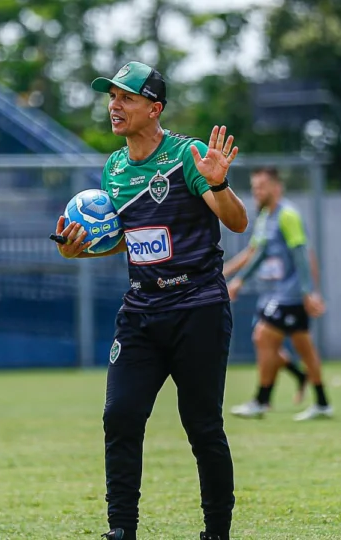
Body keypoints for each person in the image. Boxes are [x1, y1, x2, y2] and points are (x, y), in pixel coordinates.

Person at [54, 61, 248, 540]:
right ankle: (121, 530)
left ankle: (216, 533)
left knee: (202, 426)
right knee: (119, 416)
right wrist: (82, 248)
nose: (114, 106)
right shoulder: (114, 168)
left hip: (198, 306)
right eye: (112, 97)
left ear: (154, 108)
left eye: (126, 98)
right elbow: (129, 238)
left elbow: (238, 223)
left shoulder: (189, 155)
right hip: (141, 310)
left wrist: (219, 184)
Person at [225, 167, 332, 421]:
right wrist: (236, 278)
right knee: (302, 347)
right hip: (273, 293)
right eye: (254, 187)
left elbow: (302, 255)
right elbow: (258, 253)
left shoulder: (288, 215)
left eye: (261, 186)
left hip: (290, 294)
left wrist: (309, 292)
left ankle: (262, 400)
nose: (256, 192)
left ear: (276, 188)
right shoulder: (265, 218)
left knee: (263, 337)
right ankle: (321, 402)